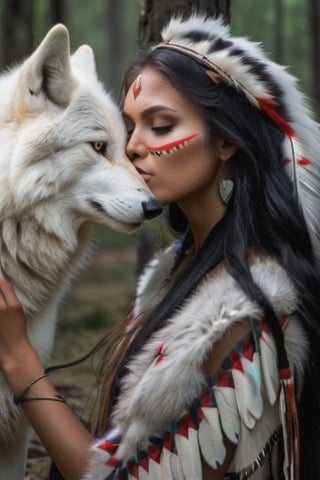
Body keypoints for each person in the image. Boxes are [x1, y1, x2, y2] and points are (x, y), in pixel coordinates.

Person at [0, 13, 320, 480]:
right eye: (131, 127)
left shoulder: (244, 313)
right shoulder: (180, 269)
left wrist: (20, 362)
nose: (132, 148)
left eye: (162, 126)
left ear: (227, 138)